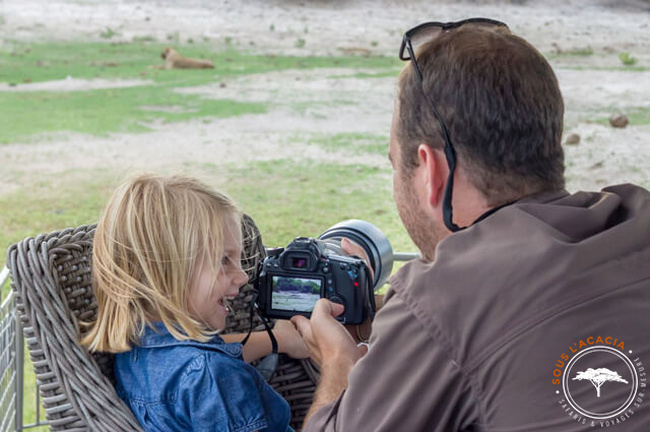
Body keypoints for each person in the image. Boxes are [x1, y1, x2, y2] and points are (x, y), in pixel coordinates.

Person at [291, 18, 650, 431]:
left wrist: (339, 362)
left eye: (396, 164)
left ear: (430, 171)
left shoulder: (443, 300)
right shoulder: (635, 216)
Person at [81, 173, 309, 432]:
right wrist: (338, 367)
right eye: (224, 260)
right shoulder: (213, 376)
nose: (243, 276)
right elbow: (208, 371)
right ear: (164, 275)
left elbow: (201, 359)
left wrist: (278, 340)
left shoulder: (139, 344)